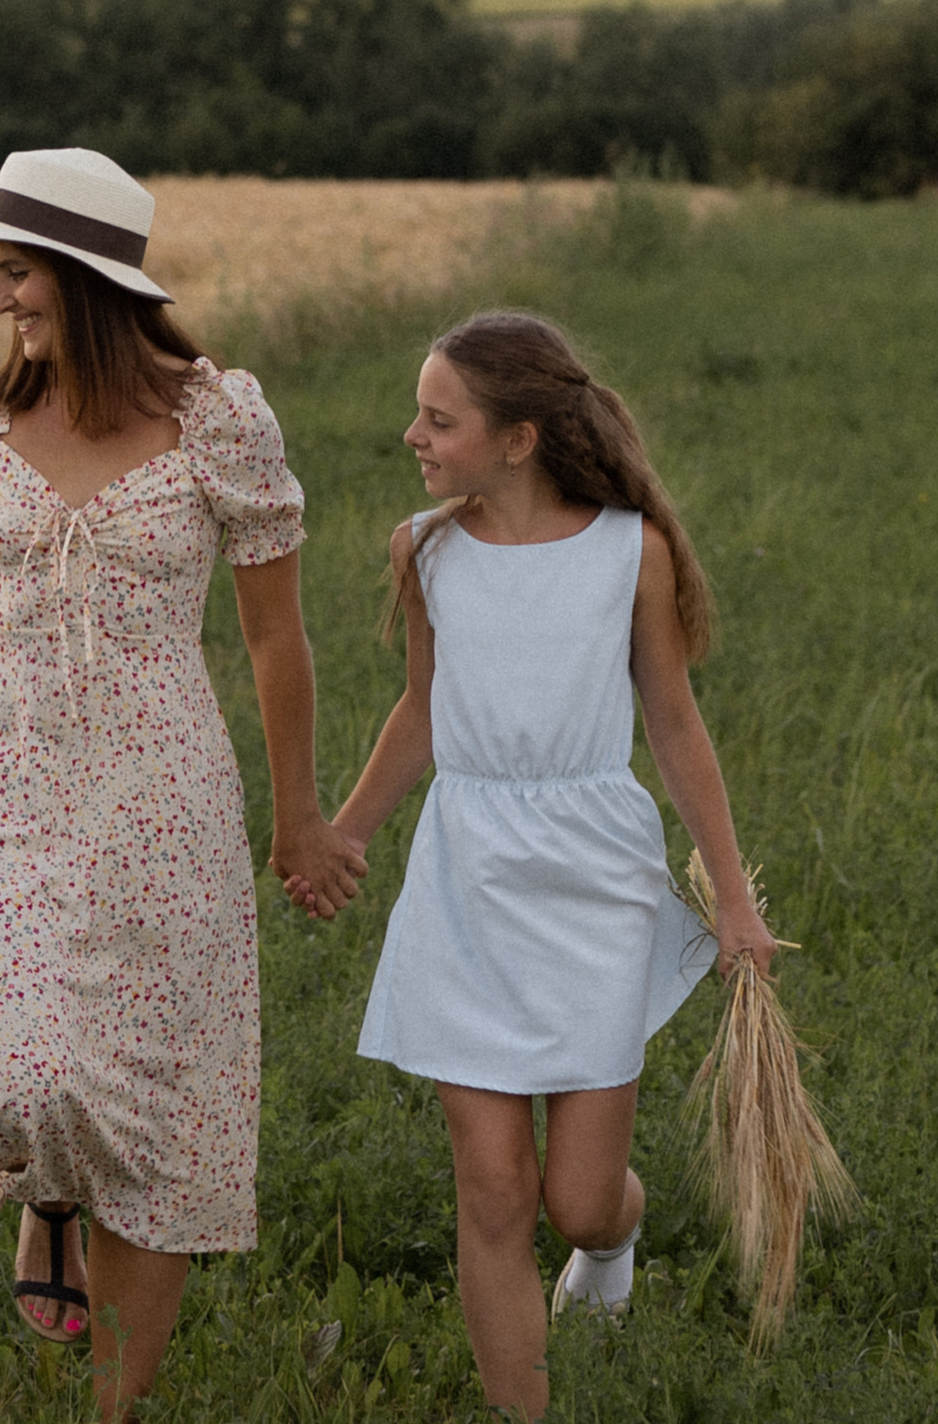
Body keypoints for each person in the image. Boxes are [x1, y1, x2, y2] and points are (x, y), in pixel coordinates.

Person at [0, 147, 365, 1424]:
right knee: (30, 1066)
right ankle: (46, 1195)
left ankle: (111, 1407)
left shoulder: (221, 422)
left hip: (162, 793)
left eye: (14, 275)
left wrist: (300, 814)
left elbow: (273, 639)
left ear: (80, 279)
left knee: (151, 1094)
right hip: (14, 784)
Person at [323, 310, 778, 1420]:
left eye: (439, 418)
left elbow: (673, 722)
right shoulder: (422, 547)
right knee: (492, 1190)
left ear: (517, 437)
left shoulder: (631, 550)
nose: (411, 436)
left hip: (593, 881)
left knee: (576, 1201)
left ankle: (614, 1252)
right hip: (466, 878)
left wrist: (728, 900)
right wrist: (346, 830)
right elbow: (422, 709)